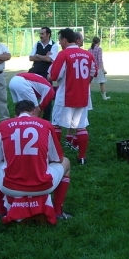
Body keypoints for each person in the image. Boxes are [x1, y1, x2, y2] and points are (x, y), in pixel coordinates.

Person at [0, 100, 72, 220]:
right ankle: (58, 211)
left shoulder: (3, 125)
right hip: (43, 186)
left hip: (10, 187)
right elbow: (58, 158)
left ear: (16, 114)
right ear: (34, 111)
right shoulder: (46, 124)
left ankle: (1, 210)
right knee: (66, 162)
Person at [49, 28, 96, 165]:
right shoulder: (88, 54)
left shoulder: (63, 54)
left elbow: (54, 76)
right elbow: (93, 72)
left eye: (60, 40)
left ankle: (56, 156)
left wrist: (50, 76)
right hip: (83, 96)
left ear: (64, 40)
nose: (59, 43)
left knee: (56, 125)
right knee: (81, 127)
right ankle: (82, 157)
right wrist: (84, 83)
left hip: (65, 96)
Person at [29, 27, 58, 120]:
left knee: (47, 98)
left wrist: (37, 55)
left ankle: (46, 120)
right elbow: (31, 58)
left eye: (42, 34)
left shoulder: (54, 45)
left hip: (46, 75)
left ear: (48, 34)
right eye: (40, 33)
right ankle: (33, 118)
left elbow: (50, 59)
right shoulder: (37, 44)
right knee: (32, 97)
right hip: (35, 73)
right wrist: (44, 57)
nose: (40, 35)